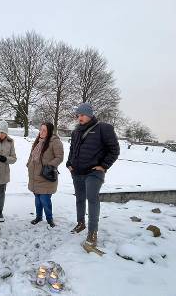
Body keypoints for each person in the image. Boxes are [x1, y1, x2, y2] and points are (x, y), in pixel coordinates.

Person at [67, 103, 120, 247]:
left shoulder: (104, 129)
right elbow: (73, 149)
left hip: (94, 172)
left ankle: (92, 232)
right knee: (79, 199)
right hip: (77, 171)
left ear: (90, 114)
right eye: (78, 115)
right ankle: (81, 223)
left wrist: (103, 166)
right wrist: (69, 163)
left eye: (82, 115)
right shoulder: (76, 131)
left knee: (92, 199)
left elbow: (114, 150)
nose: (80, 118)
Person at [27, 122, 64, 227]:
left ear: (49, 131)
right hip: (35, 176)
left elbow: (59, 157)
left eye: (44, 130)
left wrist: (49, 166)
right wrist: (28, 164)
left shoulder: (55, 142)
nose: (41, 132)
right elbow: (32, 155)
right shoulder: (38, 141)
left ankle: (49, 219)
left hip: (46, 176)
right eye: (41, 130)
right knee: (38, 199)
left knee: (45, 199)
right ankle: (38, 217)